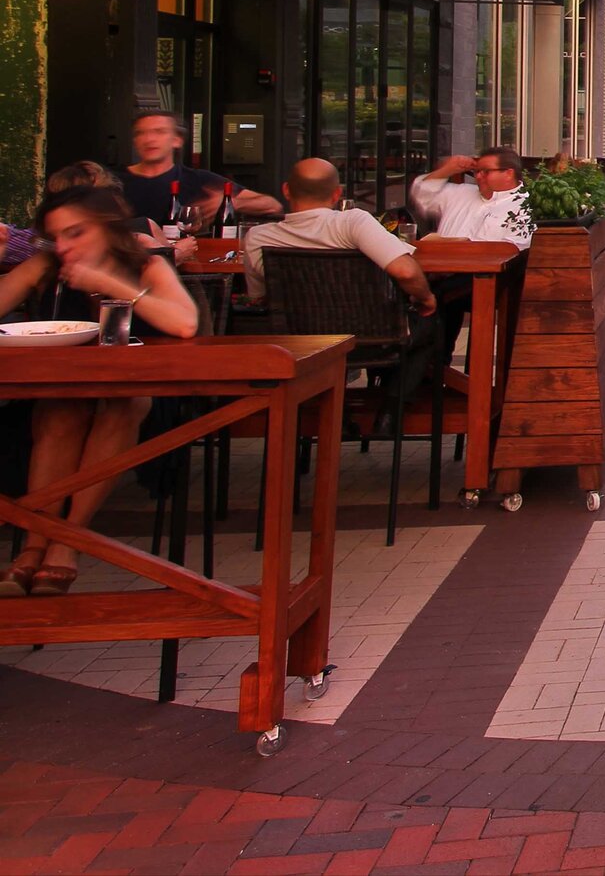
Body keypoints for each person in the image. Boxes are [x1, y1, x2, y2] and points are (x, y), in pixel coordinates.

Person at [0, 186, 197, 597]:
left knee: (123, 404)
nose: (64, 246)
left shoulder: (144, 263)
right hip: (61, 396)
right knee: (61, 410)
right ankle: (36, 544)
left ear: (108, 229)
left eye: (76, 233)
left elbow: (185, 323)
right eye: (56, 237)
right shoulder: (47, 265)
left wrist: (107, 282)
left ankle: (68, 540)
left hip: (144, 403)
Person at [242, 158, 437, 318]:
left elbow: (258, 298)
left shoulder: (258, 238)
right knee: (428, 324)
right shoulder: (353, 223)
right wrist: (426, 297)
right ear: (337, 194)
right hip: (365, 336)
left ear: (286, 190)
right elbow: (406, 272)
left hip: (293, 343)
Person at [115, 111, 278, 233]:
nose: (149, 139)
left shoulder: (198, 180)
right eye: (141, 133)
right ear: (134, 141)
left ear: (177, 140)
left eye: (159, 132)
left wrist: (232, 203)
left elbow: (272, 205)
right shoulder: (113, 181)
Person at [410, 149, 532, 247]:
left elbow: (514, 250)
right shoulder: (461, 192)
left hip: (485, 274)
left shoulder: (525, 206)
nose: (478, 176)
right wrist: (447, 170)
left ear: (508, 174)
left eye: (486, 171)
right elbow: (421, 194)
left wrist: (461, 245)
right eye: (477, 171)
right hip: (433, 268)